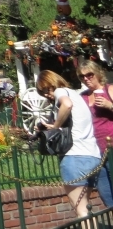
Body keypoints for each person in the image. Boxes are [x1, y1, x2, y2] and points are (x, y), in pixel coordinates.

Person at [37, 69, 102, 217]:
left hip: (74, 157)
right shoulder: (77, 95)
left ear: (53, 83)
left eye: (47, 89)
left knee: (81, 211)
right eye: (43, 93)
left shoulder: (61, 91)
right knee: (87, 208)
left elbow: (67, 105)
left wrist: (55, 127)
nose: (47, 94)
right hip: (92, 156)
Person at [78, 60, 113, 208]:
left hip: (111, 147)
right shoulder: (82, 97)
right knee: (107, 195)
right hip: (95, 152)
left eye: (89, 75)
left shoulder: (109, 89)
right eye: (82, 76)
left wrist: (109, 105)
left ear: (98, 73)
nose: (86, 78)